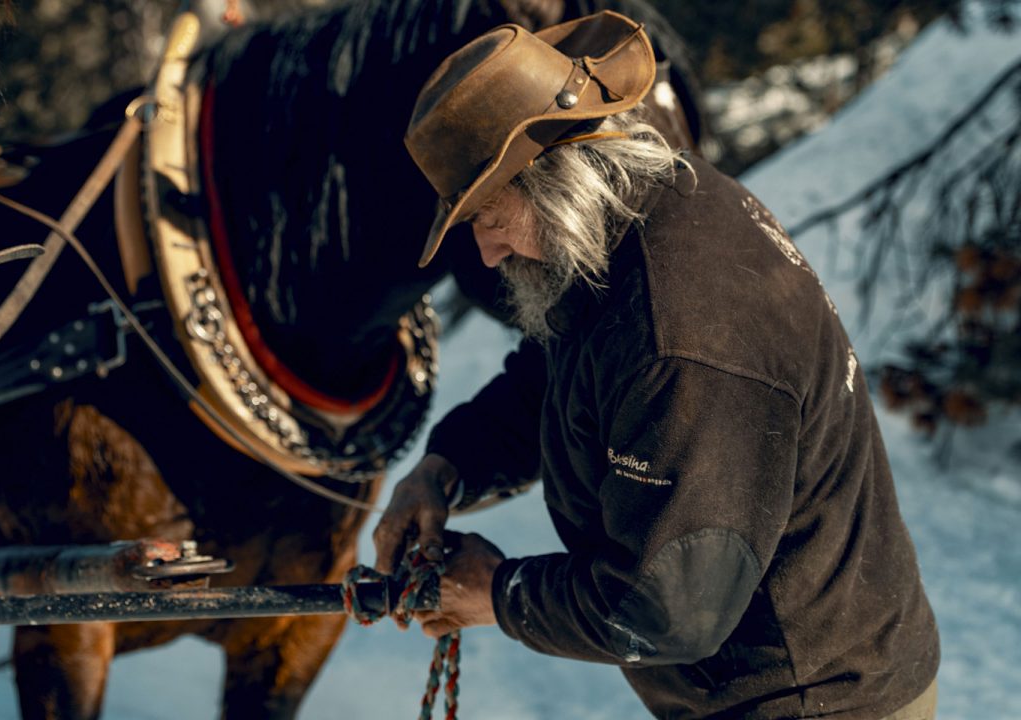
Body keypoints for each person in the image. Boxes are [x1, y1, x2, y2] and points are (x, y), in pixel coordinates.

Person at [372, 11, 940, 719]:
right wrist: (447, 466)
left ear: (558, 176)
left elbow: (670, 606)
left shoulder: (684, 338)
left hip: (811, 697)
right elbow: (562, 373)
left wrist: (495, 592)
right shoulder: (633, 217)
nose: (485, 253)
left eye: (490, 216)